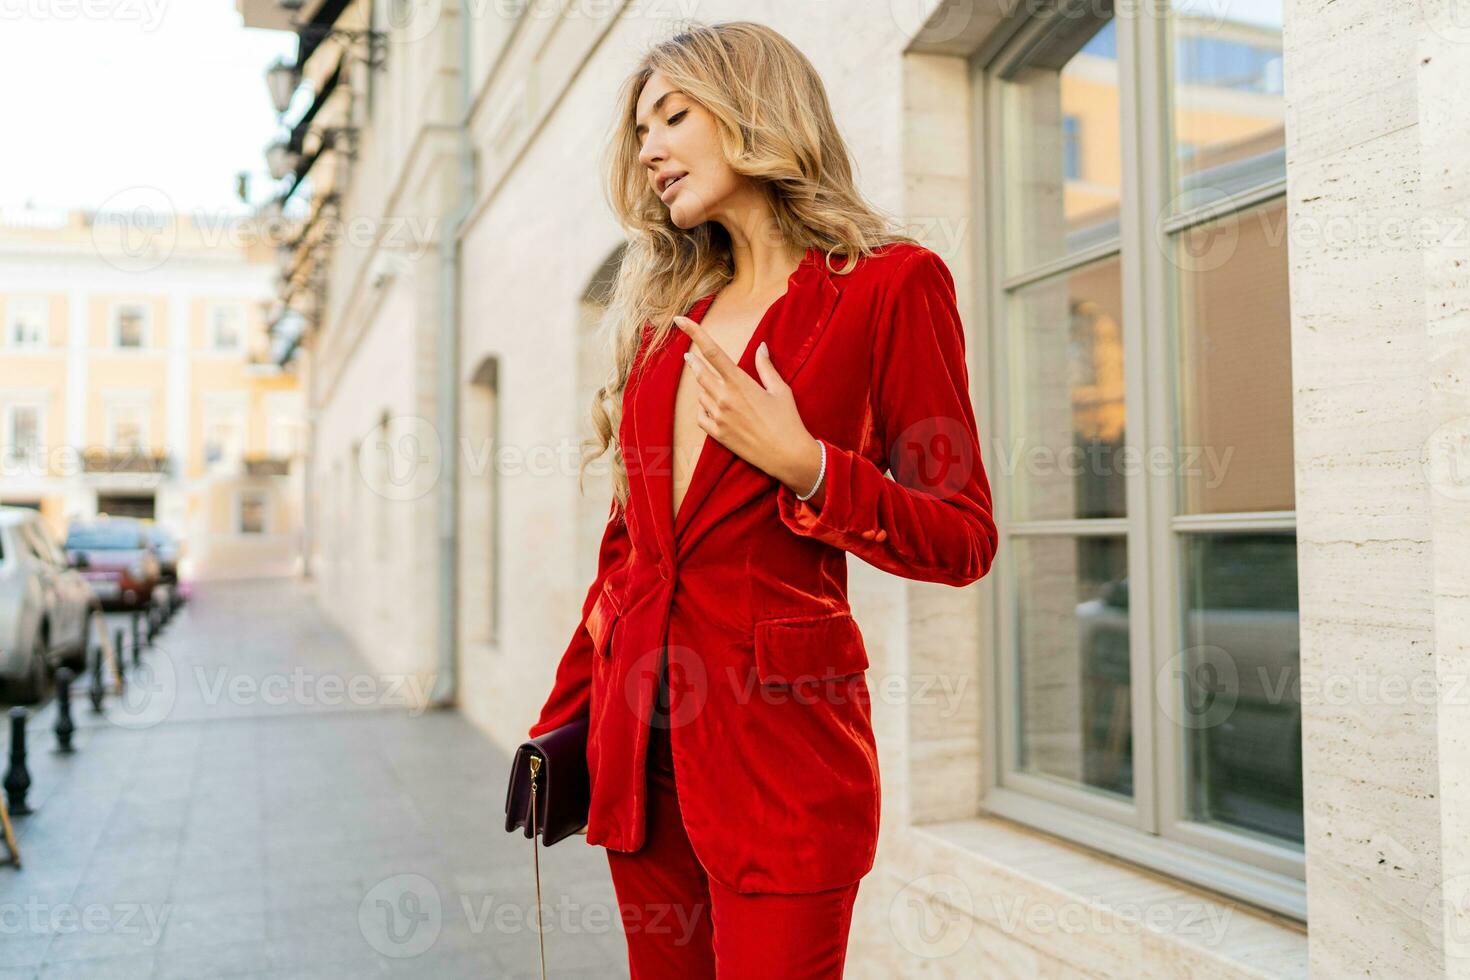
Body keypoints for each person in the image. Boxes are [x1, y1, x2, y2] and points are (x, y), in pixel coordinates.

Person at [527, 19, 999, 979]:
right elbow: (628, 557)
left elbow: (962, 537)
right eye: (639, 132)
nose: (648, 149)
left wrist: (809, 464)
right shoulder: (672, 322)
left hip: (784, 767)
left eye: (672, 116)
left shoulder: (890, 287)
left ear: (753, 109)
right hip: (640, 763)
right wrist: (560, 719)